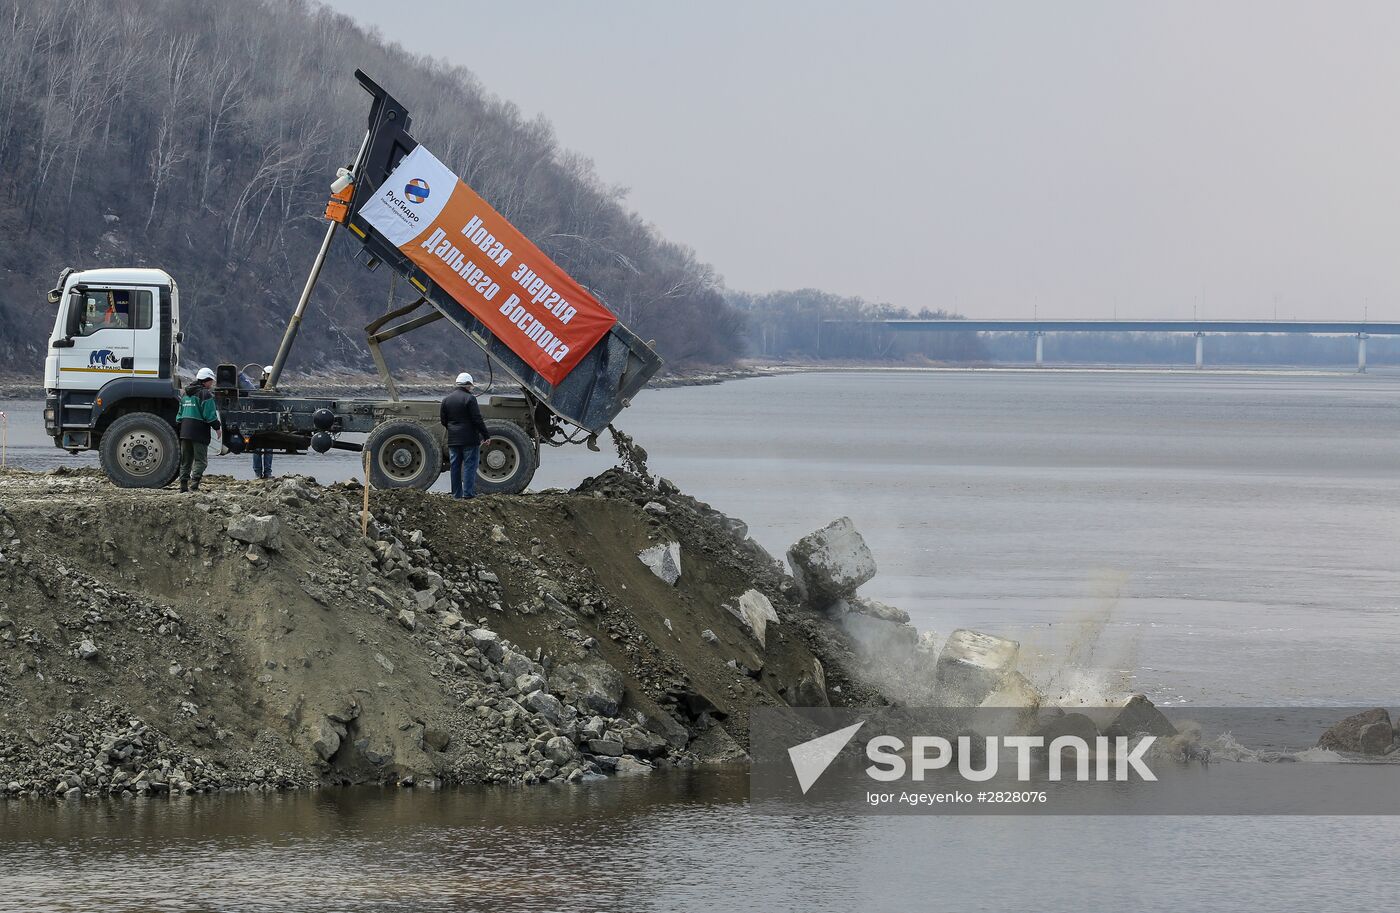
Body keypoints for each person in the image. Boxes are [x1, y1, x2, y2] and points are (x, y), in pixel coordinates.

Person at [440, 371, 491, 499]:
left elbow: (443, 420)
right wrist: (486, 435)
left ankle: (456, 494)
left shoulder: (446, 400)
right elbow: (477, 419)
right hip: (470, 439)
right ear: (468, 385)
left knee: (455, 467)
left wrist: (452, 429)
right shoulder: (470, 399)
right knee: (469, 466)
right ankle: (468, 493)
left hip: (453, 440)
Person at [176, 367, 221, 492]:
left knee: (186, 460)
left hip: (185, 432)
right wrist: (217, 428)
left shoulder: (185, 394)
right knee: (201, 460)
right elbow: (209, 415)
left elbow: (179, 415)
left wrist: (181, 428)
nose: (211, 383)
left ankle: (183, 486)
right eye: (211, 381)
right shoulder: (205, 394)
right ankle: (194, 484)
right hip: (199, 432)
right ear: (205, 381)